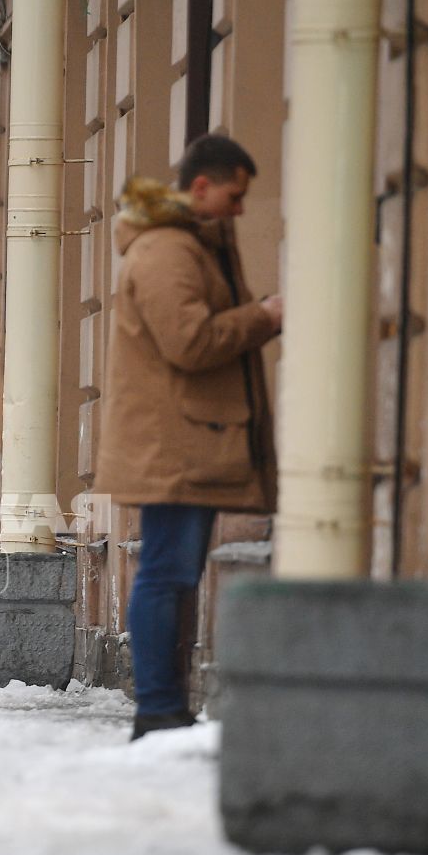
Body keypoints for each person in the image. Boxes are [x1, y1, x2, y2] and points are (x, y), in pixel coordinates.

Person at [96, 133, 285, 739]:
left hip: (186, 439)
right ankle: (156, 709)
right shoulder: (167, 252)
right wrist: (266, 316)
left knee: (172, 574)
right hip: (176, 445)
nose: (240, 209)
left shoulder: (186, 246)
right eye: (235, 195)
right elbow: (191, 342)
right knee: (166, 573)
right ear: (201, 187)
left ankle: (164, 707)